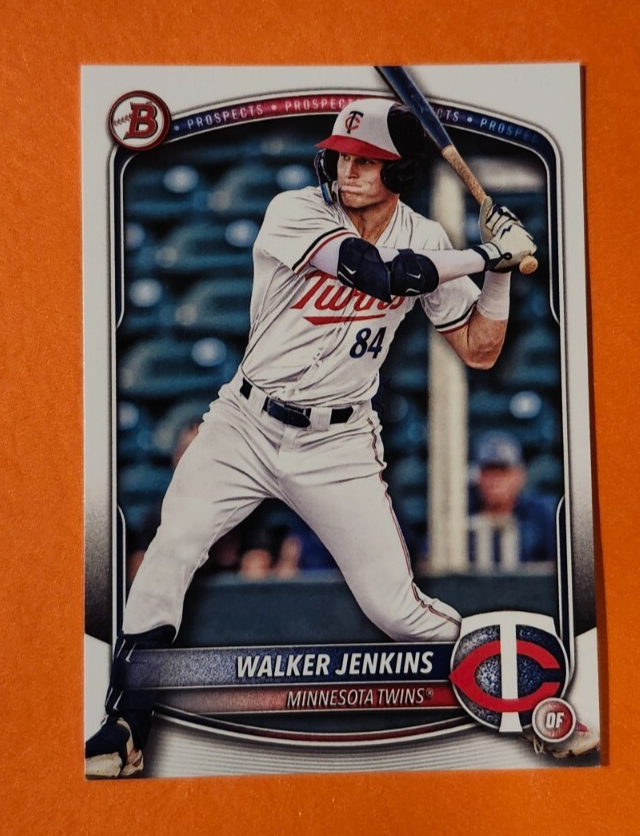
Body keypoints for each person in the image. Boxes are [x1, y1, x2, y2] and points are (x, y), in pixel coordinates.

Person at [86, 97, 540, 778]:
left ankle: (524, 690)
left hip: (338, 443)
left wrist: (498, 276)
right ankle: (124, 726)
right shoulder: (295, 211)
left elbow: (479, 349)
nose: (347, 169)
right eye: (341, 156)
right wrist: (484, 253)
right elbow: (378, 272)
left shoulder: (426, 237)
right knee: (171, 547)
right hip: (243, 424)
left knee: (397, 611)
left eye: (367, 160)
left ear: (400, 170)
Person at [469, 431, 558, 568]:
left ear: (519, 476)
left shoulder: (541, 515)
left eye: (503, 472)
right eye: (488, 472)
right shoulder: (463, 516)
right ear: (478, 477)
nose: (494, 481)